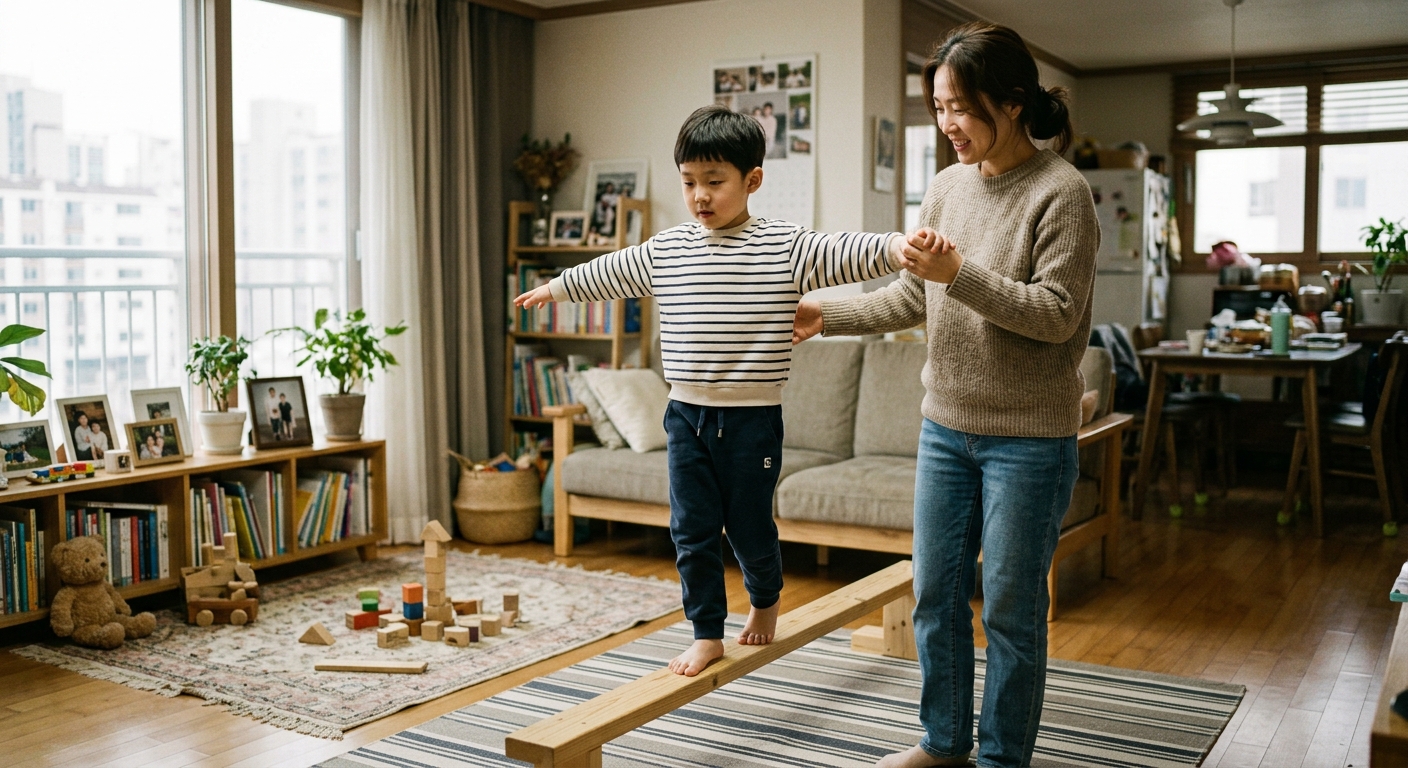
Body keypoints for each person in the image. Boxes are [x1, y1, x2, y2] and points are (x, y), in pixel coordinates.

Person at [793, 22, 1095, 768]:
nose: (947, 124)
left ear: (1014, 102)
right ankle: (942, 743)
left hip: (1028, 440)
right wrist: (822, 314)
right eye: (938, 107)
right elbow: (909, 299)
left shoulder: (1064, 194)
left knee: (1015, 614)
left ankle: (1000, 759)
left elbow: (1056, 317)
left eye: (961, 106)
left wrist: (958, 274)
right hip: (944, 429)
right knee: (935, 601)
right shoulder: (945, 188)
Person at [516, 105, 905, 678]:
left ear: (752, 181)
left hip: (752, 422)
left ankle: (766, 599)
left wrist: (899, 247)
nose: (700, 195)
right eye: (689, 181)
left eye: (715, 181)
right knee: (691, 529)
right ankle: (706, 632)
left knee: (749, 527)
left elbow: (851, 250)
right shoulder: (668, 250)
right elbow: (609, 271)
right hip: (686, 418)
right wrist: (555, 287)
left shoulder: (785, 246)